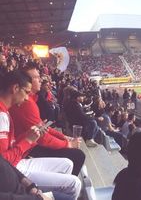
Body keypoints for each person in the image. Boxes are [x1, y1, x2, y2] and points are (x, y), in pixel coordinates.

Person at [0, 70, 82, 200]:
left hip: (17, 162)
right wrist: (28, 140)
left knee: (68, 163)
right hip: (14, 169)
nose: (27, 97)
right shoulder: (2, 115)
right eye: (26, 92)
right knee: (74, 183)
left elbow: (10, 148)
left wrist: (29, 135)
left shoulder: (5, 111)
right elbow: (5, 162)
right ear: (15, 88)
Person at [10, 65, 86, 176]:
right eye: (36, 77)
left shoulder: (31, 100)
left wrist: (64, 137)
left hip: (29, 145)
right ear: (26, 81)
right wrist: (68, 144)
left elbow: (43, 128)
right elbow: (42, 138)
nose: (40, 80)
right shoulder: (27, 103)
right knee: (78, 155)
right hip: (29, 150)